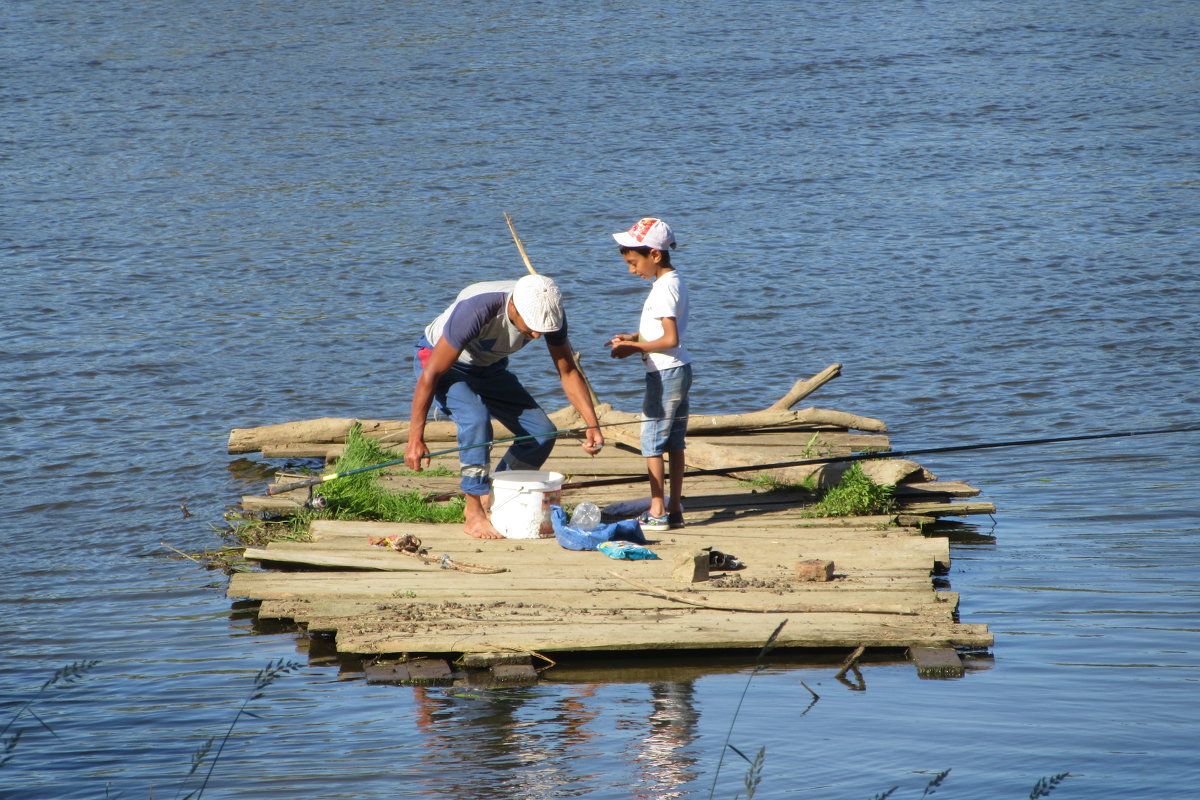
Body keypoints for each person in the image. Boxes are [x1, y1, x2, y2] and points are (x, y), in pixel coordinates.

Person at [405, 274, 604, 539]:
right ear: (514, 308)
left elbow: (567, 371)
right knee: (476, 419)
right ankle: (473, 510)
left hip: (488, 367)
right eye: (532, 327)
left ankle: (494, 496)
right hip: (441, 364)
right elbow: (430, 375)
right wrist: (415, 439)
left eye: (541, 329)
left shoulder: (550, 311)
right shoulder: (477, 310)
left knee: (541, 434)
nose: (536, 334)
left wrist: (592, 423)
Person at [606, 217, 692, 531]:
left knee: (652, 443)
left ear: (654, 255)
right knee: (675, 442)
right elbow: (661, 331)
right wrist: (633, 337)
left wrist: (635, 349)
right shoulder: (671, 281)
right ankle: (675, 508)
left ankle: (657, 512)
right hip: (679, 369)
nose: (631, 270)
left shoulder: (663, 290)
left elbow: (670, 340)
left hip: (665, 374)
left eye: (633, 262)